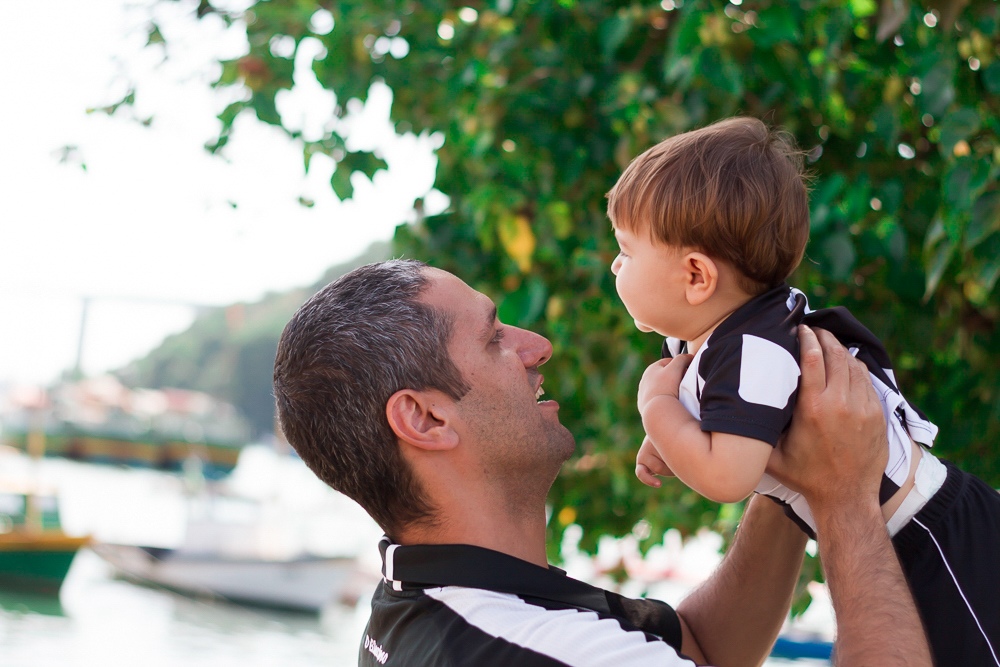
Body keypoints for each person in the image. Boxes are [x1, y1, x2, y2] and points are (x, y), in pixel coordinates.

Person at [273, 259, 932, 666]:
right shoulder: (543, 651)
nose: (538, 345)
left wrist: (776, 462)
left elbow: (703, 650)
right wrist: (845, 501)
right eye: (494, 336)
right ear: (425, 419)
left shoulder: (425, 605)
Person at [607, 116, 1000, 665]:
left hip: (941, 540)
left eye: (626, 250)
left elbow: (727, 478)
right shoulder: (721, 339)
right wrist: (677, 431)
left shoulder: (753, 350)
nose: (615, 264)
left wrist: (657, 407)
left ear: (697, 277)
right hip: (900, 539)